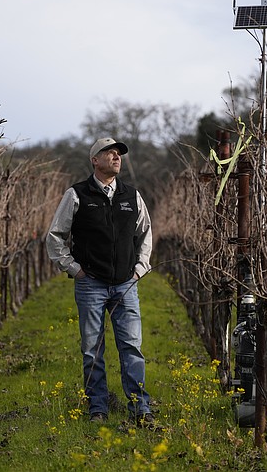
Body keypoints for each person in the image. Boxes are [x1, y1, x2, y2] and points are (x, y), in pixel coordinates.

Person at [45, 137, 155, 426]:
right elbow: (55, 236)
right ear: (94, 160)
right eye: (109, 152)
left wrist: (140, 268)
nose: (116, 156)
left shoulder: (132, 196)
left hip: (125, 284)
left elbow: (145, 234)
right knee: (92, 349)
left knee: (131, 346)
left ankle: (139, 407)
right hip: (90, 283)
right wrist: (74, 268)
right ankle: (98, 408)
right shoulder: (77, 194)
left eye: (118, 153)